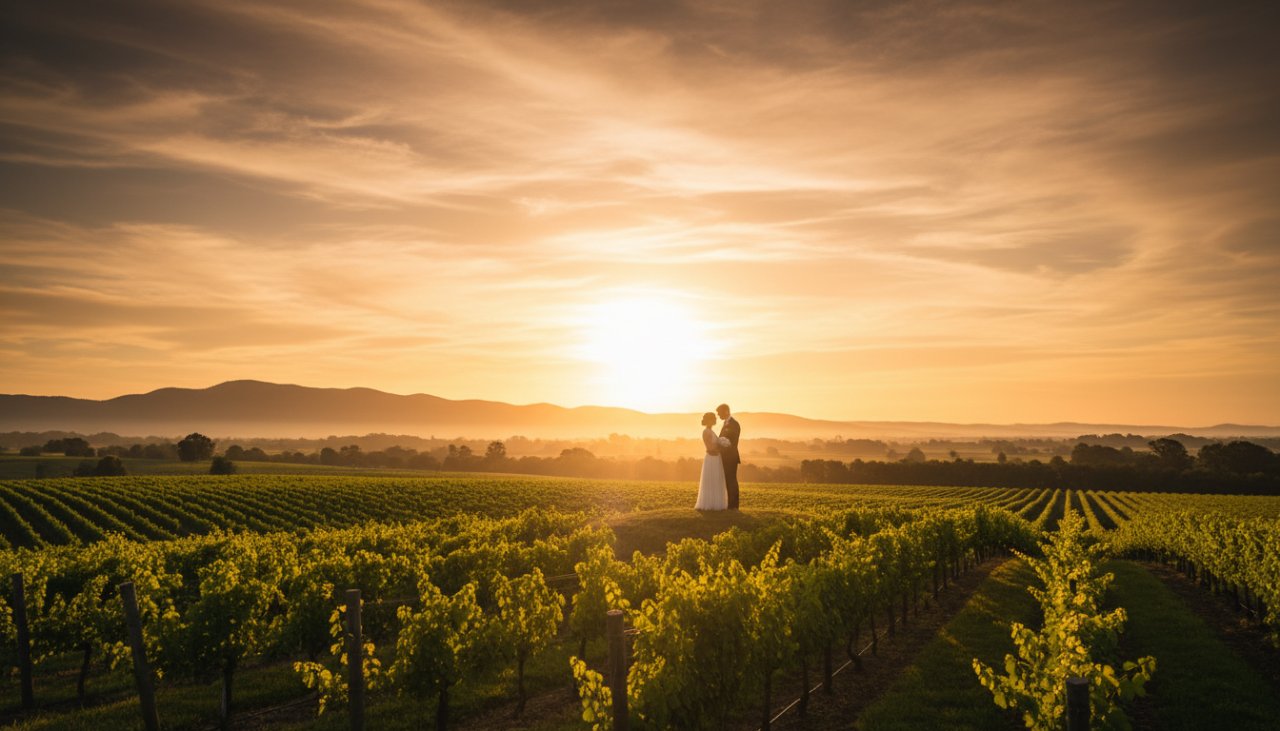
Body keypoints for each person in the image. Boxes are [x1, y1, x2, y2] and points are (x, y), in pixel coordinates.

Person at [694, 412, 729, 510]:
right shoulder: (706, 432)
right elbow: (710, 447)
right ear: (709, 420)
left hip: (716, 458)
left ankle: (716, 503)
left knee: (716, 479)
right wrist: (721, 446)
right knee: (711, 480)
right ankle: (709, 503)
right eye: (714, 418)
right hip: (711, 458)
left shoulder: (710, 431)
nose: (715, 420)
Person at [717, 403, 741, 509]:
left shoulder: (734, 424)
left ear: (726, 411)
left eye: (719, 413)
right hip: (725, 457)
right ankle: (729, 504)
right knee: (727, 480)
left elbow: (732, 442)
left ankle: (734, 505)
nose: (718, 415)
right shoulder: (726, 423)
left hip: (731, 457)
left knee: (731, 481)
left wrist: (721, 444)